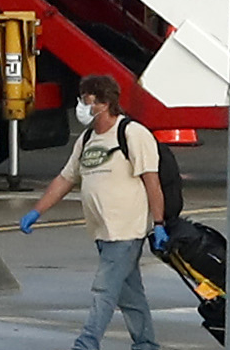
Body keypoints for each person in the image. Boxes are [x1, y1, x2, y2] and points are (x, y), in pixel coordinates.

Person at [17, 74, 165, 350]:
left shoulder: (132, 133)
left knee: (104, 289)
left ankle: (87, 343)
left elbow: (151, 181)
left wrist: (158, 222)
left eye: (88, 101)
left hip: (125, 229)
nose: (82, 107)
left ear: (106, 103)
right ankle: (146, 343)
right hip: (102, 230)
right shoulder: (87, 139)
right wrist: (36, 211)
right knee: (129, 293)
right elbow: (65, 179)